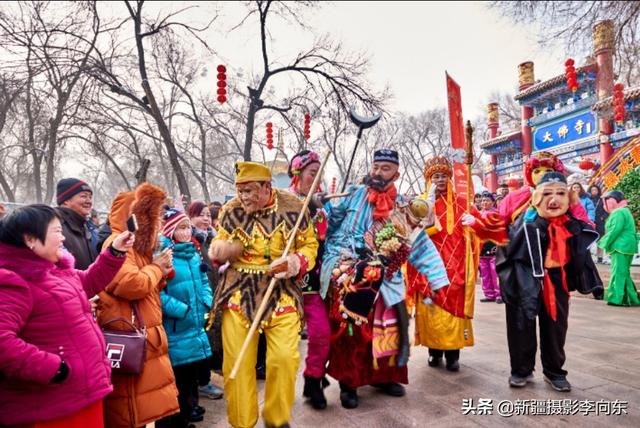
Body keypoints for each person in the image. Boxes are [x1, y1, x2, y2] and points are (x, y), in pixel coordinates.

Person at [321, 149, 449, 409]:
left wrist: (437, 279)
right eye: (376, 167)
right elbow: (330, 223)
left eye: (385, 168)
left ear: (396, 173)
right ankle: (349, 382)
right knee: (352, 327)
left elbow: (420, 245)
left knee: (390, 326)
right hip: (348, 266)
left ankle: (385, 377)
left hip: (386, 273)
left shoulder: (404, 206)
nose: (378, 172)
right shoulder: (352, 194)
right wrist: (321, 207)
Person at [0, 204, 134, 427]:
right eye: (56, 231)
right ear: (30, 239)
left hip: (82, 394)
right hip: (51, 406)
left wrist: (115, 252)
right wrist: (54, 367)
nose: (62, 238)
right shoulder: (14, 282)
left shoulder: (55, 272)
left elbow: (89, 282)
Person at [208, 161, 318, 428]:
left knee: (284, 359)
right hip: (238, 293)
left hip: (280, 290)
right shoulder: (231, 210)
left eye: (249, 191)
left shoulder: (294, 206)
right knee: (237, 365)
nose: (243, 197)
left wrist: (293, 262)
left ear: (267, 186)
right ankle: (241, 422)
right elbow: (217, 242)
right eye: (240, 191)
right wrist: (222, 249)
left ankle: (277, 420)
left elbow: (309, 245)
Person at [497, 172, 603, 392]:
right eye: (547, 194)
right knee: (521, 324)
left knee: (556, 327)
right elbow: (508, 251)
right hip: (524, 279)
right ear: (536, 197)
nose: (554, 200)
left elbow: (583, 248)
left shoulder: (572, 224)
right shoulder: (525, 223)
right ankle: (521, 370)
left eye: (560, 194)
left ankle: (554, 371)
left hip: (557, 280)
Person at [407, 156, 507, 373]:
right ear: (429, 179)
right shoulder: (420, 202)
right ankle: (434, 352)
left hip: (457, 264)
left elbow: (483, 226)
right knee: (431, 306)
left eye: (443, 176)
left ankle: (453, 355)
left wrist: (475, 222)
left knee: (453, 310)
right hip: (429, 264)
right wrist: (427, 208)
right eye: (436, 176)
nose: (440, 180)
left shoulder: (463, 202)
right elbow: (411, 232)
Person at [97, 182, 180, 428]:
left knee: (142, 413)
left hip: (145, 339)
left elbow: (145, 287)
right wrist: (157, 268)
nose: (154, 225)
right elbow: (131, 285)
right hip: (130, 339)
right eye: (149, 217)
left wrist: (161, 272)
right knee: (130, 412)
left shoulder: (137, 249)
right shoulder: (116, 243)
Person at [157, 209, 214, 428]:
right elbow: (157, 292)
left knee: (192, 372)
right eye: (180, 228)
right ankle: (178, 417)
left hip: (195, 323)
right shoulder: (163, 254)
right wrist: (180, 309)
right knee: (178, 375)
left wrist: (207, 301)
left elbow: (204, 279)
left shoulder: (193, 253)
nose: (186, 231)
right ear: (170, 230)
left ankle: (190, 408)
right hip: (176, 326)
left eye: (187, 227)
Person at [288, 150, 331, 410]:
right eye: (311, 173)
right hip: (289, 281)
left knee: (322, 334)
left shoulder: (324, 203)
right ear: (297, 174)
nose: (316, 179)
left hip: (318, 280)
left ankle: (313, 378)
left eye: (319, 174)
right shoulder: (285, 202)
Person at [186, 200, 224, 400]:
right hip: (198, 298)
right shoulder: (189, 241)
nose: (206, 218)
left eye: (208, 215)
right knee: (202, 338)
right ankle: (202, 382)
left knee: (213, 337)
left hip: (215, 293)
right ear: (190, 217)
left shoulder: (213, 240)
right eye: (201, 214)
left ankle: (207, 377)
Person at [598, 190, 640, 306]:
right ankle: (631, 298)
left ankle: (617, 299)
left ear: (611, 201)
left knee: (618, 272)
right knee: (623, 272)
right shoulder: (625, 211)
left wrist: (602, 243)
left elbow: (614, 230)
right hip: (626, 246)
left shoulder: (618, 212)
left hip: (620, 246)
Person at [55, 178, 97, 270]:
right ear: (66, 201)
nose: (89, 201)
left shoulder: (83, 226)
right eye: (83, 196)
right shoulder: (55, 226)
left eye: (90, 197)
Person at [478, 191, 502, 303]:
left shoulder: (497, 213)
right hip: (482, 247)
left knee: (494, 272)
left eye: (487, 200)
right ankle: (489, 294)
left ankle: (499, 294)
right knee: (485, 272)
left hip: (493, 246)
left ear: (493, 202)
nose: (484, 202)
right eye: (483, 200)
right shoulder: (478, 214)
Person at [588, 184, 608, 263]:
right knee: (588, 239)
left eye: (595, 190)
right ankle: (588, 257)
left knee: (600, 240)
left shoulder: (602, 200)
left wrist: (602, 218)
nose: (594, 191)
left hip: (600, 222)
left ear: (598, 191)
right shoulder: (587, 199)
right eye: (592, 190)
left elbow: (606, 210)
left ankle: (600, 257)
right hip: (590, 221)